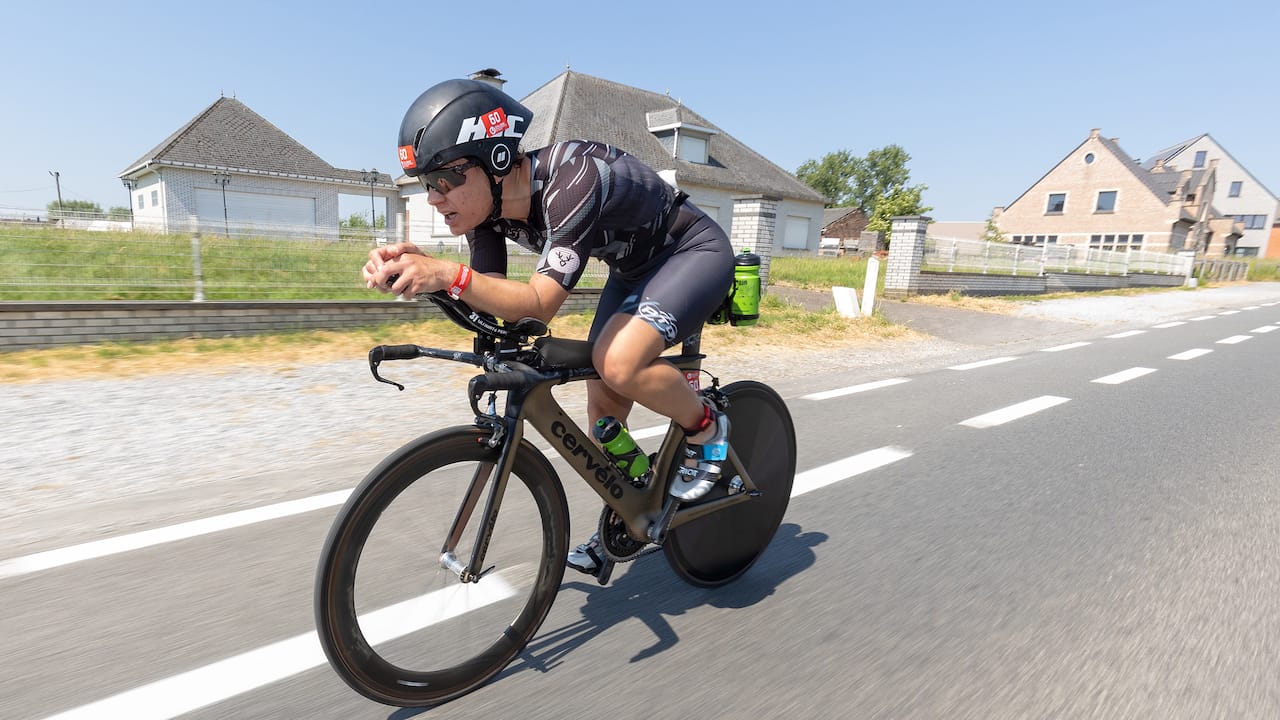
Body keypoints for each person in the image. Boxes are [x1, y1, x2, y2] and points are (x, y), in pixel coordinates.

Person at [362, 78, 734, 575]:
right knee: (604, 418)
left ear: (494, 161)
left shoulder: (573, 180)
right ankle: (645, 507)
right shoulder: (487, 216)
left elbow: (538, 303)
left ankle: (706, 428)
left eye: (445, 182)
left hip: (693, 253)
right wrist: (422, 271)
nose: (434, 197)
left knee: (617, 364)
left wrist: (447, 274)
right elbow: (495, 298)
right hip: (633, 271)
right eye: (428, 185)